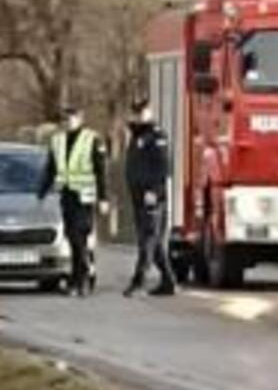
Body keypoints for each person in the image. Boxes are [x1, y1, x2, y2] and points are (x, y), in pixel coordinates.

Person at [37, 106, 109, 297]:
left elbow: (100, 171)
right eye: (65, 119)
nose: (67, 122)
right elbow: (51, 168)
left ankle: (82, 278)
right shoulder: (58, 140)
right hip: (67, 195)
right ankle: (78, 278)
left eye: (71, 119)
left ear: (80, 119)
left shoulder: (91, 139)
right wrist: (42, 192)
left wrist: (103, 198)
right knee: (73, 237)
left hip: (84, 196)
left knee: (79, 237)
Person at [123, 99, 176, 297]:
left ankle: (139, 281)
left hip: (152, 196)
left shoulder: (156, 136)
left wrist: (154, 192)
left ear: (149, 113)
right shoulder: (136, 135)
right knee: (155, 242)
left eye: (142, 112)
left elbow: (163, 167)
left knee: (148, 239)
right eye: (136, 113)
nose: (139, 116)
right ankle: (168, 281)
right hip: (138, 195)